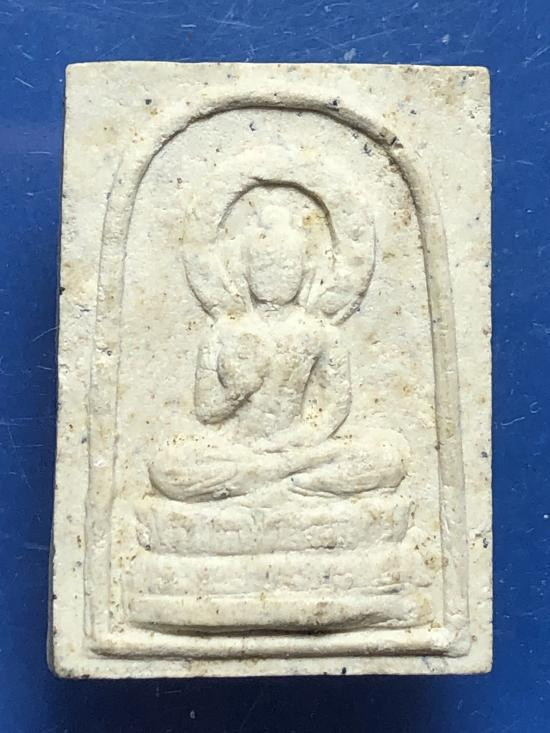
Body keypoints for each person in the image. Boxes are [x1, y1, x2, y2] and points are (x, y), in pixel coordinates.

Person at [149, 204, 408, 502]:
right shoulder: (223, 331)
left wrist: (294, 441)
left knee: (387, 459)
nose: (274, 277)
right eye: (263, 267)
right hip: (236, 449)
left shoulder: (321, 333)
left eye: (286, 267)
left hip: (299, 450)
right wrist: (235, 393)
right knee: (166, 467)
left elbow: (333, 408)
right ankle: (290, 484)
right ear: (244, 271)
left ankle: (264, 481)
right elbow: (206, 410)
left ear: (305, 270)